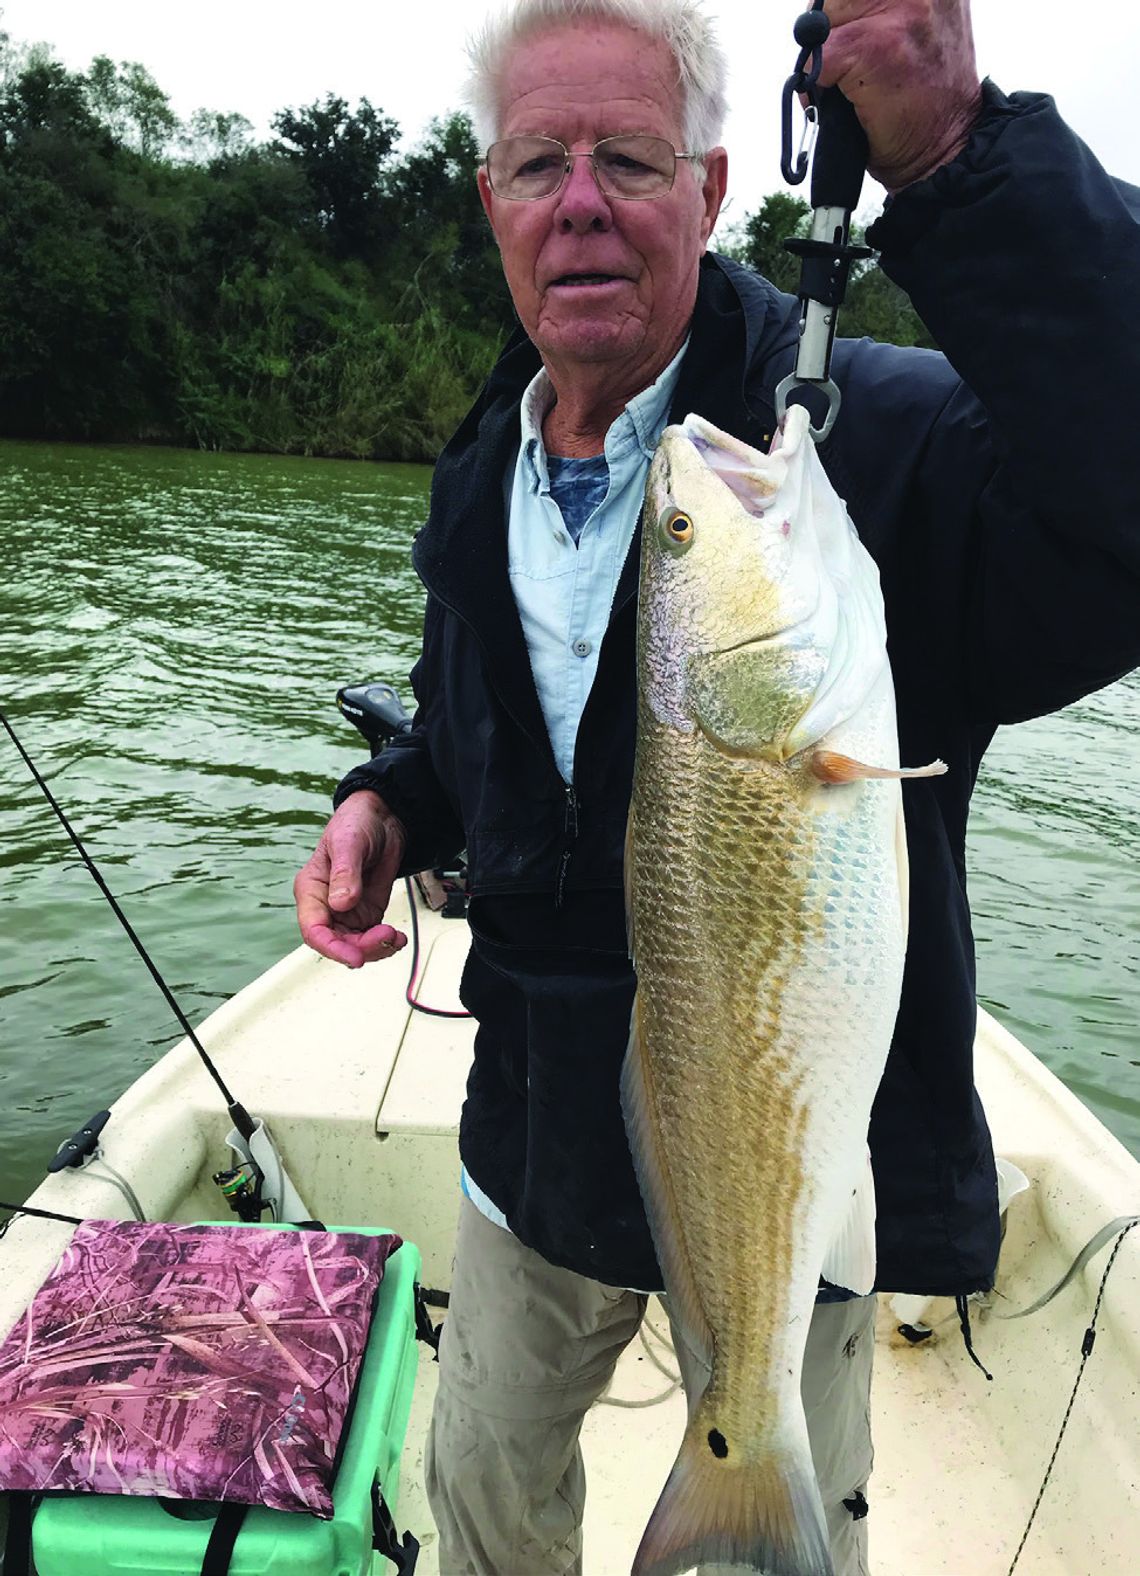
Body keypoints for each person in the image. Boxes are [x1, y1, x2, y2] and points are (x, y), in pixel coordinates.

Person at [294, 1, 1140, 1570]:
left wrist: (958, 158)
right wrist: (396, 799)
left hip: (788, 1162)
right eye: (538, 161)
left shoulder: (860, 446)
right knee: (482, 1492)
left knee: (775, 1519)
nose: (582, 200)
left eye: (630, 155)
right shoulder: (483, 460)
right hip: (529, 1139)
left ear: (709, 184)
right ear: (491, 200)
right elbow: (475, 719)